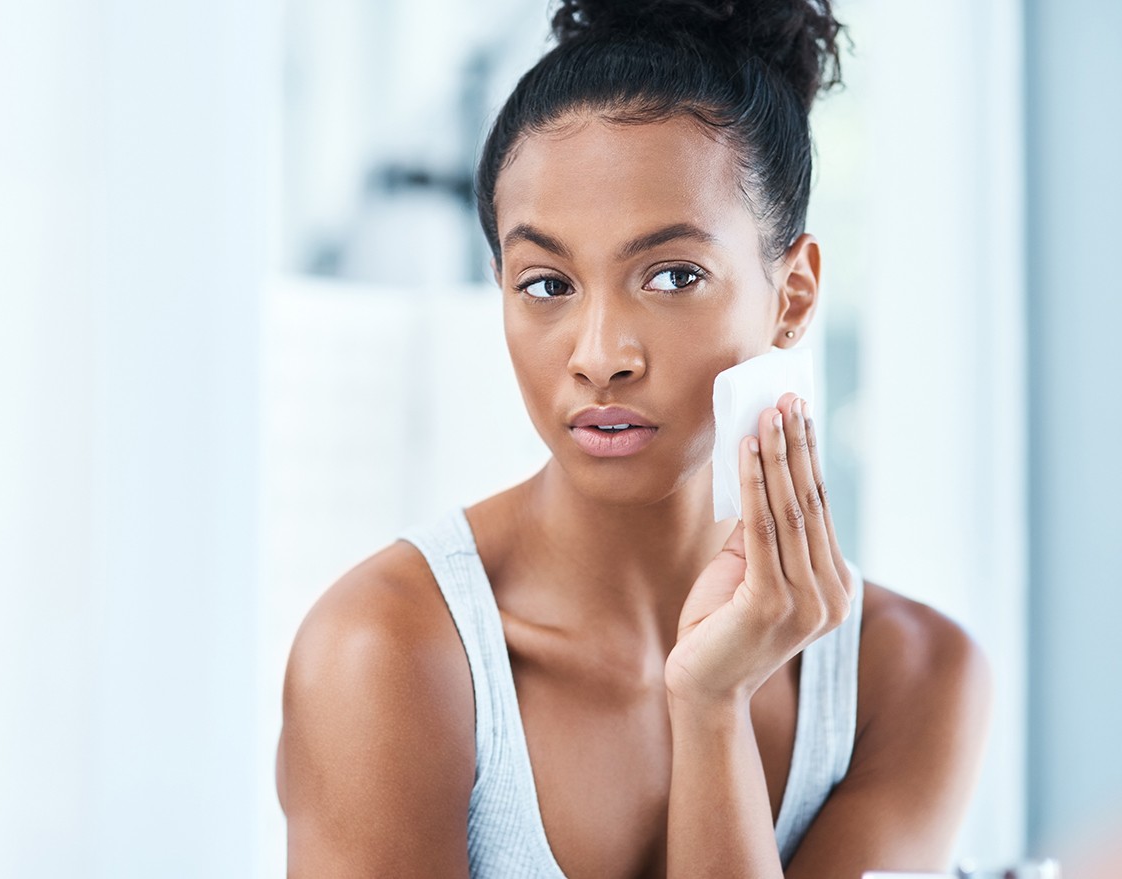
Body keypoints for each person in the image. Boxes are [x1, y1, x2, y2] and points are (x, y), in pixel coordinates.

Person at [276, 1, 992, 875]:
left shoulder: (906, 678)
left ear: (794, 294)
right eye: (546, 283)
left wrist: (710, 703)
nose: (599, 356)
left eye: (672, 275)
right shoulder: (385, 653)